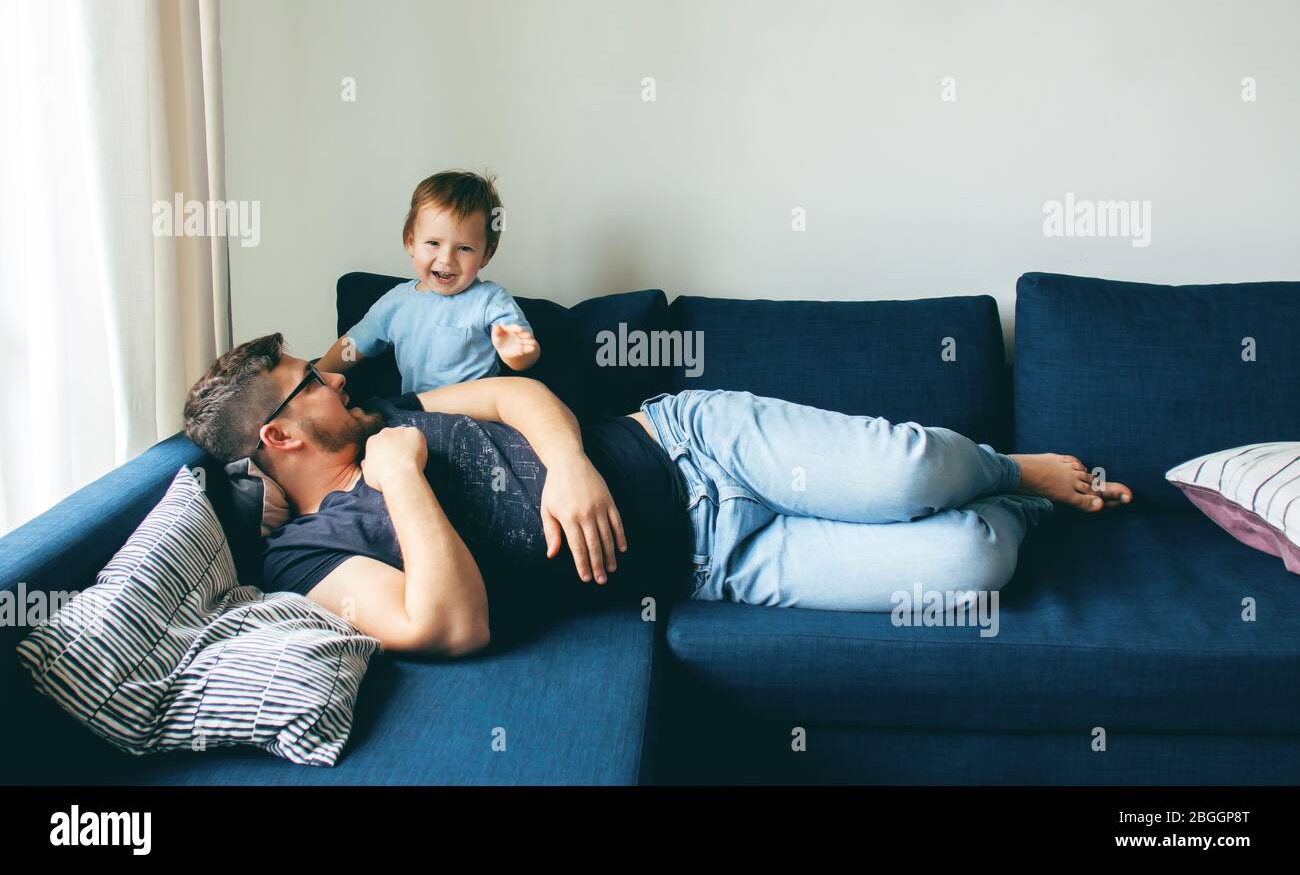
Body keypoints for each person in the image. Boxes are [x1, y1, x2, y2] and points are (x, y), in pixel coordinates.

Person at [182, 334, 1132, 657]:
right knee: (972, 562)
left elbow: (514, 395)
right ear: (280, 436)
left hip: (691, 444)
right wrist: (396, 477)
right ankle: (1015, 509)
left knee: (909, 473)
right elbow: (450, 624)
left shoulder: (393, 409)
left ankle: (1010, 468)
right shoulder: (303, 559)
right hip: (717, 564)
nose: (336, 378)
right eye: (311, 382)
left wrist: (569, 463)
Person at [315, 170, 539, 392]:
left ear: (486, 255)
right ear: (410, 242)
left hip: (476, 409)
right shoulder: (396, 302)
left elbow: (525, 355)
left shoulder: (490, 300)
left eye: (464, 248)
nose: (446, 259)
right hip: (416, 408)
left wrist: (516, 353)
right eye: (433, 243)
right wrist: (314, 375)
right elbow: (354, 345)